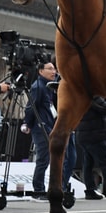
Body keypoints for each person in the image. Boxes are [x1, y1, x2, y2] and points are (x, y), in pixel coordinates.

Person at [22, 60, 77, 198]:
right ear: (41, 71)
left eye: (54, 69)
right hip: (41, 127)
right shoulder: (38, 87)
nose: (54, 72)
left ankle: (56, 187)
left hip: (50, 126)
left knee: (59, 158)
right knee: (43, 158)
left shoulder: (50, 86)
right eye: (50, 69)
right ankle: (38, 189)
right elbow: (31, 107)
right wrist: (27, 123)